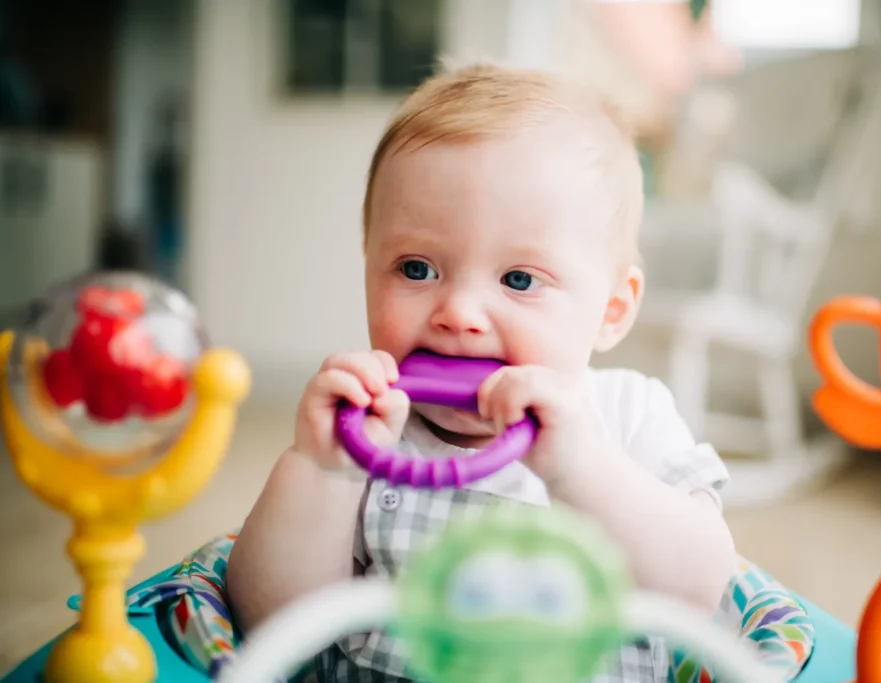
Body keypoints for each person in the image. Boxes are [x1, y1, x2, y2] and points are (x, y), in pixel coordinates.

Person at [226, 62, 736, 682]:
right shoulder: (368, 429)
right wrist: (320, 469)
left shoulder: (630, 415)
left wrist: (583, 471)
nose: (459, 313)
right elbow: (272, 624)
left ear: (611, 310)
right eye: (416, 268)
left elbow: (699, 593)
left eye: (519, 280)